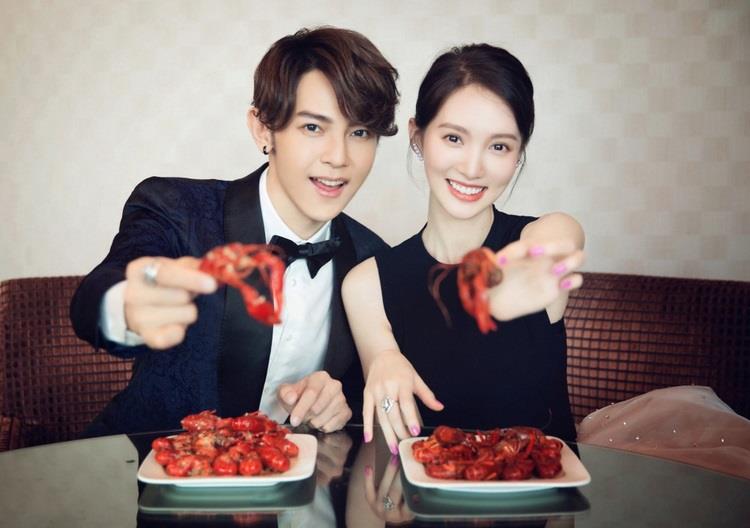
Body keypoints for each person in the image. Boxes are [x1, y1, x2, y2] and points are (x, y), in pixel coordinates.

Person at [70, 26, 399, 436]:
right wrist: (123, 305)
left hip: (291, 473)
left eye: (360, 132)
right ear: (263, 130)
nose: (339, 157)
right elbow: (98, 293)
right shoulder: (176, 209)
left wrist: (337, 405)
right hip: (136, 465)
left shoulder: (373, 261)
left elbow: (369, 396)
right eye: (313, 128)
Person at [342, 44, 585, 454]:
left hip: (543, 488)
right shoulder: (367, 283)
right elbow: (385, 410)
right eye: (454, 138)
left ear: (519, 153)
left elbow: (557, 242)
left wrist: (522, 274)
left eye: (499, 146)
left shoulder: (543, 234)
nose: (473, 168)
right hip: (420, 488)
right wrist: (382, 364)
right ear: (418, 137)